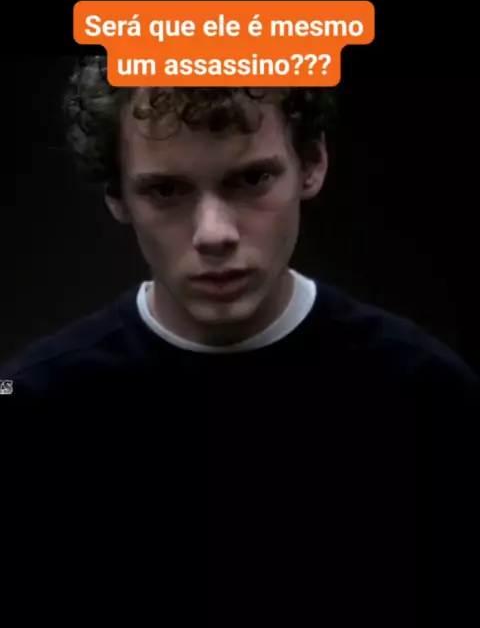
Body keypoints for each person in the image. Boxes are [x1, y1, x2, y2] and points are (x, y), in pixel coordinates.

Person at [3, 56, 478, 627]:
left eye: (251, 179)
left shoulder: (427, 393)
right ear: (117, 197)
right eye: (167, 190)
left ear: (312, 163)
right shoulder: (32, 407)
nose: (214, 234)